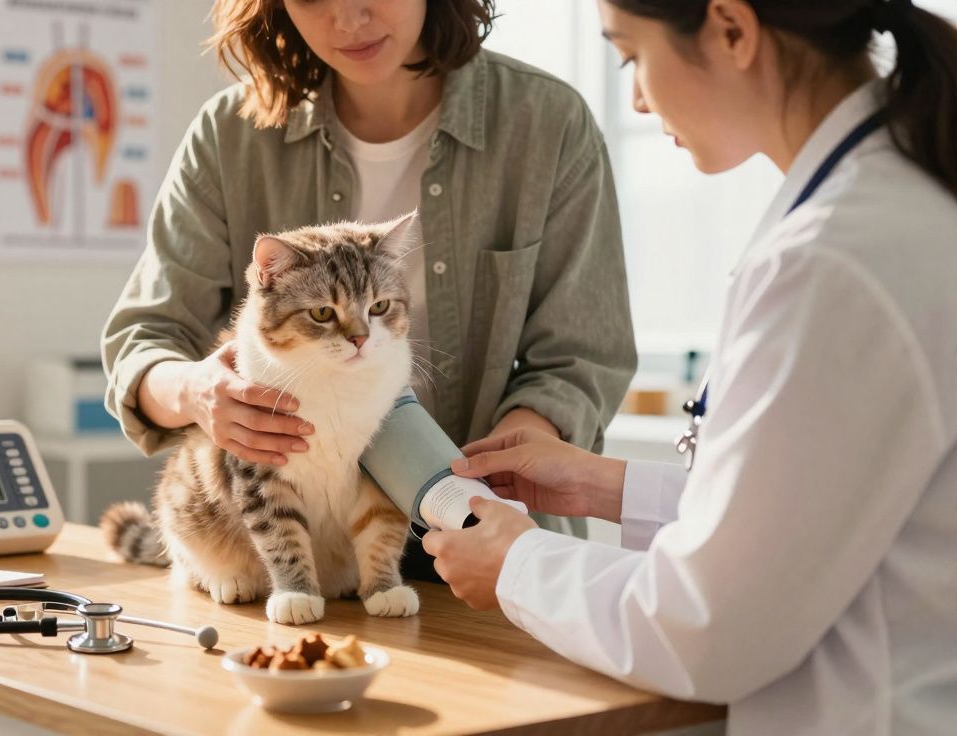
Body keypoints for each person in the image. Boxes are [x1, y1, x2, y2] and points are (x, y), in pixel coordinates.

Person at [424, 0, 957, 732]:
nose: (637, 99)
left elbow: (709, 628)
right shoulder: (881, 207)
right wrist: (610, 487)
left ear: (732, 30)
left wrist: (516, 564)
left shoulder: (837, 260)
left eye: (632, 56)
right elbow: (811, 508)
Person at [103, 0, 638, 581]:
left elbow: (580, 357)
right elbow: (144, 339)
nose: (348, 21)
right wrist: (196, 391)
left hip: (493, 540)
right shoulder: (226, 135)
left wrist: (499, 466)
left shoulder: (547, 122)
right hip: (295, 550)